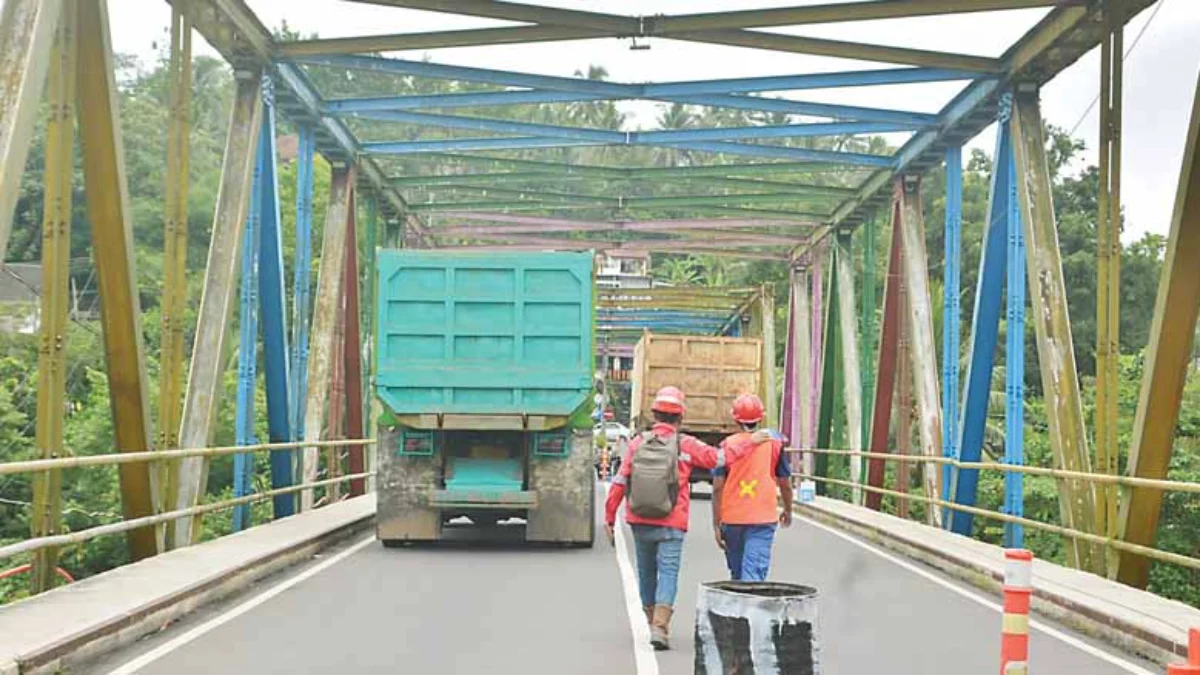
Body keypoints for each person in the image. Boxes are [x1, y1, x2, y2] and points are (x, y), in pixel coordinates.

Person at [604, 386, 769, 651]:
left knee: (647, 571)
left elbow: (620, 481)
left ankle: (651, 621)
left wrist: (610, 517)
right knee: (668, 571)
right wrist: (752, 440)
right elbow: (720, 458)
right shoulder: (687, 445)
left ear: (655, 414)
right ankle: (660, 626)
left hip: (639, 519)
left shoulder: (636, 444)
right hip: (671, 522)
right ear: (680, 418)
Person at [712, 393, 793, 582]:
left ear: (735, 419)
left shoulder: (727, 446)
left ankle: (739, 611)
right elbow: (785, 484)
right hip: (762, 519)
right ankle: (749, 611)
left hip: (732, 520)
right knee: (753, 577)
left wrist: (716, 524)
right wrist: (788, 509)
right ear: (760, 418)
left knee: (738, 575)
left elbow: (717, 488)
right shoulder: (775, 444)